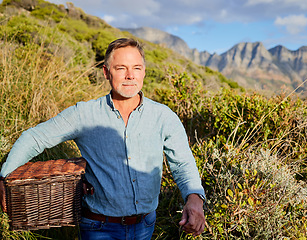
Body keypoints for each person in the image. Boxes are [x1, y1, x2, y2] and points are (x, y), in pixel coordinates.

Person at [0, 38, 206, 239]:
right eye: (120, 68)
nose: (129, 76)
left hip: (145, 226)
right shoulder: (84, 114)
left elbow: (182, 163)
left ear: (144, 71)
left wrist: (194, 198)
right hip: (98, 228)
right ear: (106, 73)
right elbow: (35, 137)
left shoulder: (163, 116)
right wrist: (4, 176)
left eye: (136, 68)